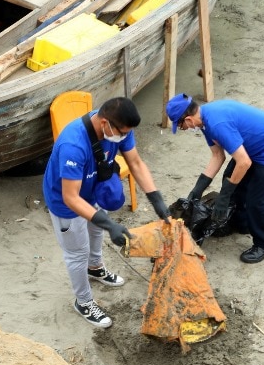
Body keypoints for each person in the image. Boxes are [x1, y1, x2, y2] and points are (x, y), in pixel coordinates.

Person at [43, 97, 170, 328]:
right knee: (77, 253)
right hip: (66, 201)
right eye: (121, 132)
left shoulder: (119, 127)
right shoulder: (73, 145)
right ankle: (83, 301)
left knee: (96, 233)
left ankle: (95, 268)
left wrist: (156, 198)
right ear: (104, 123)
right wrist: (109, 223)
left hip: (93, 188)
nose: (124, 136)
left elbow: (136, 164)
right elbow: (70, 197)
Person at [166, 93, 264, 264]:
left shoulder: (217, 124)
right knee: (230, 179)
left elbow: (244, 162)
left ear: (188, 119)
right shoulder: (204, 121)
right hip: (249, 147)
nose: (185, 129)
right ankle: (242, 223)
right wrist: (197, 189)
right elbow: (218, 156)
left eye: (181, 126)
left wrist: (224, 195)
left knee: (256, 199)